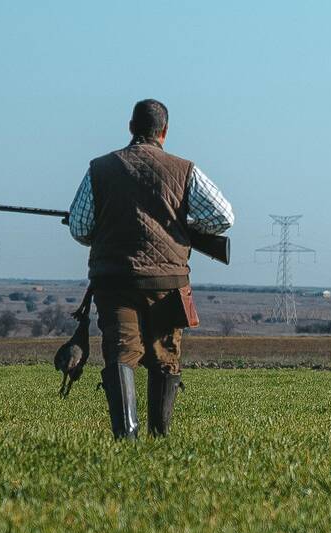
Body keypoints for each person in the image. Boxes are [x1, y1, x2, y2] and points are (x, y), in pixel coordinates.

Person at [66, 99, 233, 438]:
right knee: (165, 357)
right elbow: (223, 216)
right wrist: (184, 226)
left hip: (116, 281)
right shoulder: (185, 169)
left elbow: (80, 227)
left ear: (131, 127)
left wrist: (105, 231)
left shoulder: (100, 168)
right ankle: (160, 436)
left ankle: (126, 437)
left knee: (120, 355)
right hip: (167, 283)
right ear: (165, 131)